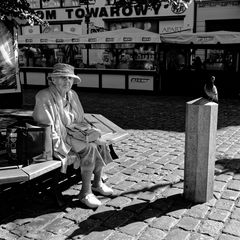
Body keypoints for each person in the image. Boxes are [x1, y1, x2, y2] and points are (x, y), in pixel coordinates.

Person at [32, 63, 114, 208]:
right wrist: (64, 149)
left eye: (70, 78)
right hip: (55, 138)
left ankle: (97, 182)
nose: (67, 81)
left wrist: (87, 133)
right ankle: (85, 192)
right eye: (62, 78)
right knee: (90, 148)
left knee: (101, 143)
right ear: (53, 80)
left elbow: (80, 120)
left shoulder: (72, 95)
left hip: (74, 134)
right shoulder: (44, 96)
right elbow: (46, 127)